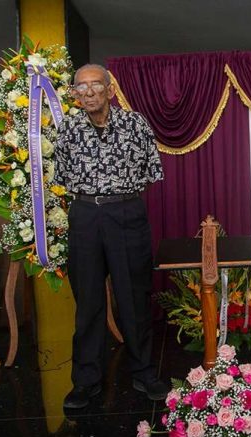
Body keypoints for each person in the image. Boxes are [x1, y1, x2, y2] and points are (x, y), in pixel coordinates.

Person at [55, 64, 169, 409]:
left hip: (126, 213)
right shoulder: (68, 129)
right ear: (74, 94)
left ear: (109, 89)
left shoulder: (135, 124)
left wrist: (118, 198)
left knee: (134, 297)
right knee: (88, 302)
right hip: (85, 215)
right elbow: (61, 174)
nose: (88, 93)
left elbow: (152, 170)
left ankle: (144, 372)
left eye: (95, 86)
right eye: (80, 88)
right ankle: (86, 381)